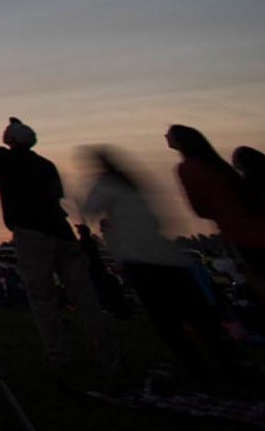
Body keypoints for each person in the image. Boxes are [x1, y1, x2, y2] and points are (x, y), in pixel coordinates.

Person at [0, 108, 119, 379]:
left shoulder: (3, 158)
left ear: (11, 140)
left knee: (43, 298)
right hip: (62, 233)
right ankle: (109, 356)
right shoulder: (46, 165)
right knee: (85, 298)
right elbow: (55, 198)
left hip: (31, 234)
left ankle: (58, 358)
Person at [81, 146, 233, 384]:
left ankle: (199, 373)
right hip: (169, 258)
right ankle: (230, 367)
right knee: (200, 317)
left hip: (142, 260)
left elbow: (88, 210)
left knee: (168, 323)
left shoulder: (106, 186)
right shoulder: (135, 187)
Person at [169, 126, 265, 364]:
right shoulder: (221, 169)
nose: (165, 137)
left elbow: (200, 209)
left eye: (169, 134)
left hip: (245, 242)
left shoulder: (188, 169)